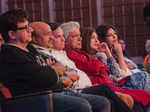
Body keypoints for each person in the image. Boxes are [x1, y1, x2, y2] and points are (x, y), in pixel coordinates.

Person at [0, 9, 110, 112]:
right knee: (82, 105)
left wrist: (53, 71)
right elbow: (43, 77)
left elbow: (52, 69)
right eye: (25, 27)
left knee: (102, 102)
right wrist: (54, 70)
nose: (30, 30)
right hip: (38, 99)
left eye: (29, 26)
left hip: (57, 90)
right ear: (12, 34)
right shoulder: (10, 54)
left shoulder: (30, 48)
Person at [30, 21, 134, 112]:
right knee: (109, 97)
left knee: (128, 96)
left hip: (93, 85)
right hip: (77, 88)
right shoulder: (52, 54)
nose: (79, 39)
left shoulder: (80, 54)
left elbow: (74, 73)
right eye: (74, 36)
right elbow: (93, 69)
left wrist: (106, 55)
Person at [60, 21, 150, 110]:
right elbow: (107, 71)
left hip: (112, 84)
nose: (115, 37)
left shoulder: (91, 54)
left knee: (143, 84)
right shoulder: (77, 54)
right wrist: (117, 54)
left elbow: (107, 70)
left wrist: (110, 55)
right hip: (106, 85)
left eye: (115, 34)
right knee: (141, 83)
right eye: (111, 35)